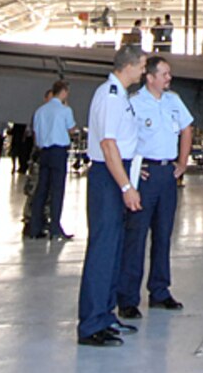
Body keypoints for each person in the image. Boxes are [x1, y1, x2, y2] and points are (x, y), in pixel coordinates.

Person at [75, 45, 146, 346]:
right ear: (128, 66)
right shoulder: (110, 96)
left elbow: (122, 144)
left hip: (118, 172)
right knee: (103, 249)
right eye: (142, 66)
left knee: (114, 249)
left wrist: (131, 174)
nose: (144, 71)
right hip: (108, 179)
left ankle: (105, 315)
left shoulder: (121, 96)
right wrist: (126, 186)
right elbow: (108, 146)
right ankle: (91, 324)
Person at [117, 55, 193, 317]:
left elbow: (186, 128)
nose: (169, 78)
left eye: (169, 74)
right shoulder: (135, 103)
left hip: (167, 175)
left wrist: (182, 163)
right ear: (150, 78)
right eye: (164, 74)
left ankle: (160, 290)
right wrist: (134, 169)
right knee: (135, 236)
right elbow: (122, 138)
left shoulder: (174, 100)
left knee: (163, 235)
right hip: (145, 176)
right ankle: (127, 297)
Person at [26, 79, 74, 240]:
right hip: (58, 152)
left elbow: (36, 132)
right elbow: (71, 129)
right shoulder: (65, 110)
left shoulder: (40, 111)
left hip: (43, 152)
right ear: (64, 92)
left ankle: (35, 228)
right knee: (57, 190)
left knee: (41, 190)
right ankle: (55, 228)